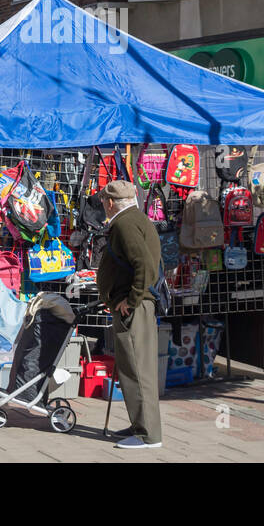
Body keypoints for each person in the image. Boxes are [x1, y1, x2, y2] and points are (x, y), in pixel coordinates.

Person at [95, 179, 163, 450]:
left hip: (134, 307)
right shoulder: (134, 219)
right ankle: (140, 425)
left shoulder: (125, 223)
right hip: (132, 305)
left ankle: (148, 435)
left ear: (110, 202)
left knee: (137, 370)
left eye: (103, 201)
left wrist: (131, 301)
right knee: (133, 368)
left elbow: (144, 265)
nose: (102, 205)